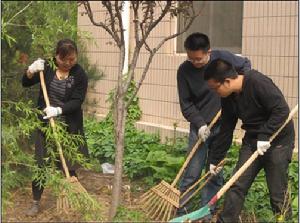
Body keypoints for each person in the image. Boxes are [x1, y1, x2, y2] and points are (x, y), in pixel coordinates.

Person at [203, 58, 295, 223]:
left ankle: (284, 220)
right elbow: (226, 128)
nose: (215, 93)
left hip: (278, 141)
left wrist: (265, 135)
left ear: (227, 81)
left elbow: (281, 110)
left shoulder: (257, 82)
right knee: (237, 184)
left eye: (215, 89)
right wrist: (215, 159)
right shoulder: (228, 97)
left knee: (277, 192)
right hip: (253, 141)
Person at [176, 32, 251, 218]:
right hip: (200, 128)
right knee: (192, 171)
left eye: (199, 59)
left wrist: (236, 95)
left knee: (214, 171)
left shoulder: (222, 58)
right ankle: (182, 211)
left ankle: (206, 213)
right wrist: (200, 125)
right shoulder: (184, 71)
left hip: (223, 124)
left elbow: (246, 66)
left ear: (209, 52)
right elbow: (186, 103)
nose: (195, 62)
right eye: (190, 58)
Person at [22, 39, 89, 216]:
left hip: (68, 126)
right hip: (45, 125)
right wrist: (30, 71)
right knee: (40, 163)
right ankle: (36, 202)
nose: (68, 63)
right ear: (56, 56)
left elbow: (77, 100)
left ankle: (72, 200)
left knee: (68, 164)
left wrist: (58, 110)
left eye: (72, 59)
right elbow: (25, 82)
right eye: (64, 60)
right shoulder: (47, 67)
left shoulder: (79, 73)